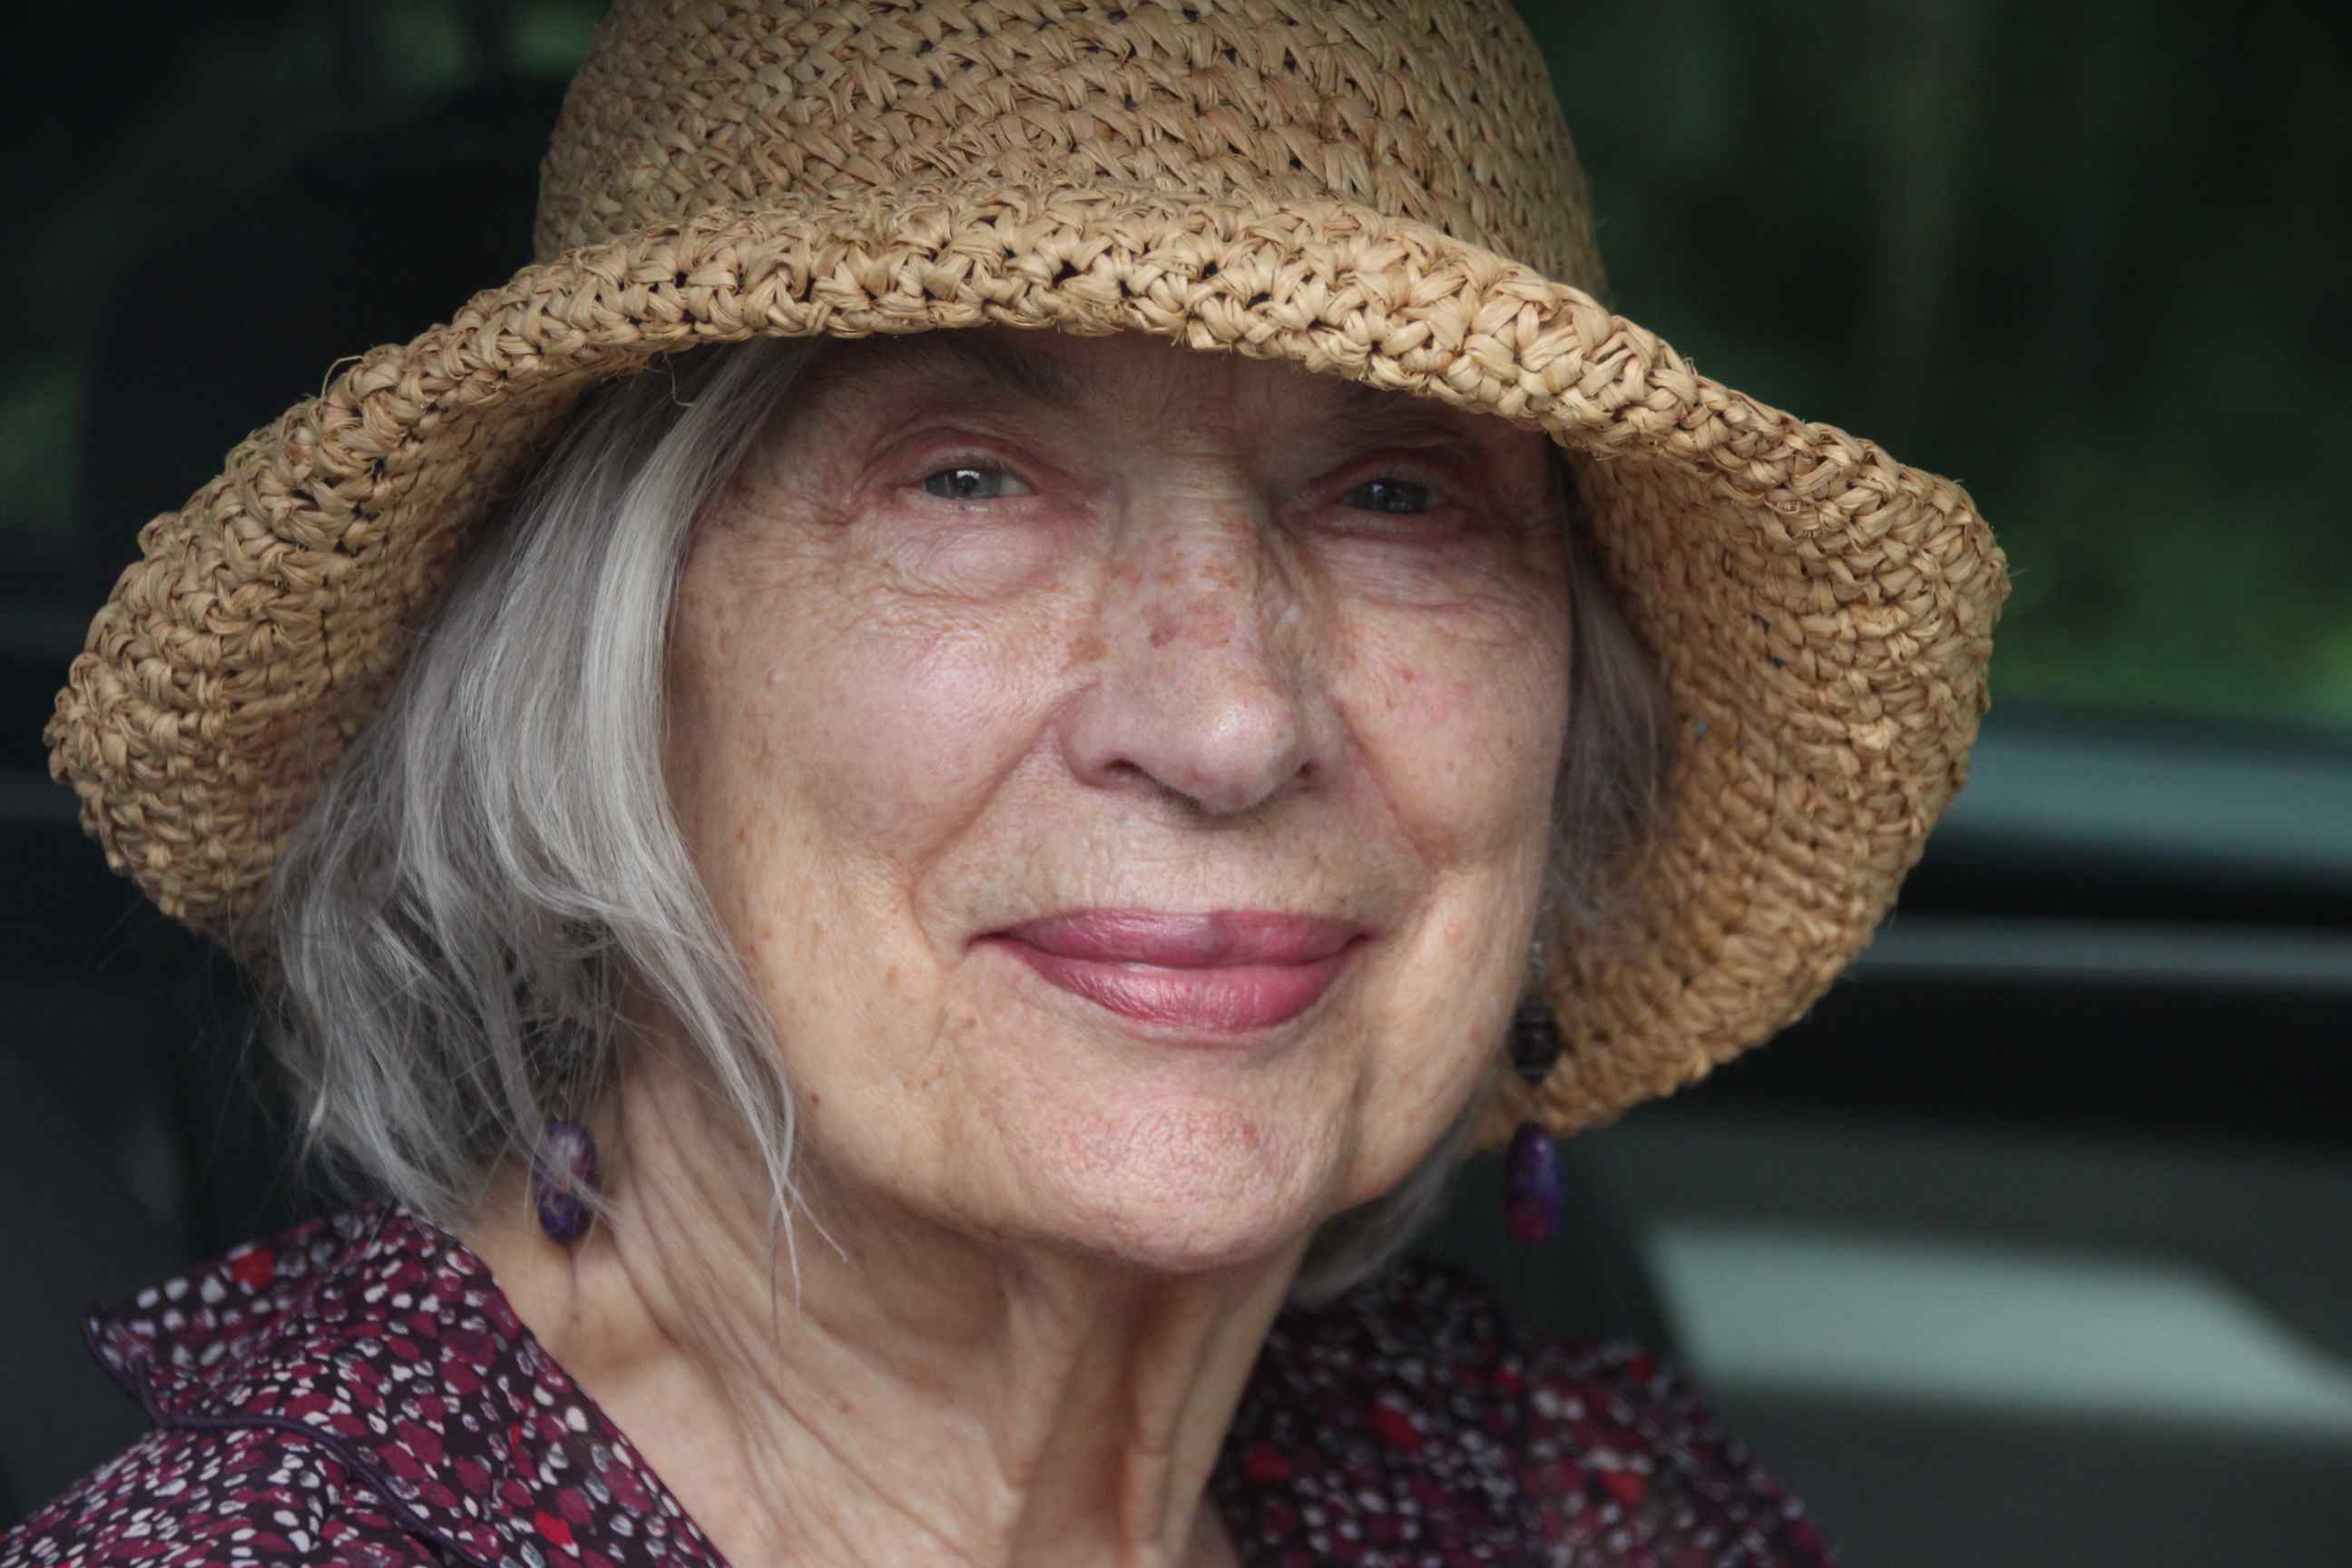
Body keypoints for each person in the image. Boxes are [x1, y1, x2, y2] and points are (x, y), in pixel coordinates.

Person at [5, 1, 2006, 1563]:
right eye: (969, 476)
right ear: (603, 683)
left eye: (1397, 493)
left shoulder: (1576, 1506)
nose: (1226, 723)